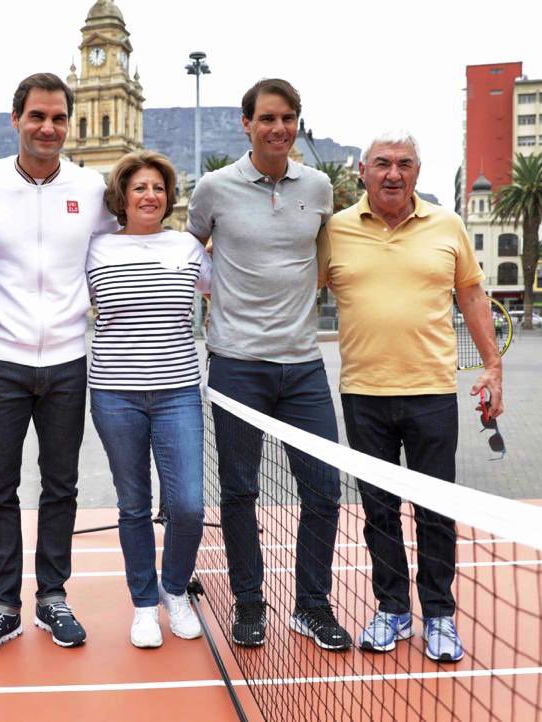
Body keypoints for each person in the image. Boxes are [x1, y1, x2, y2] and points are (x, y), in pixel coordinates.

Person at [319, 131, 503, 664]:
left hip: (432, 395)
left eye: (403, 164)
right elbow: (294, 286)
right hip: (363, 396)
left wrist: (494, 368)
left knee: (435, 512)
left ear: (418, 172)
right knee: (378, 511)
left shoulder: (448, 225)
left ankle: (440, 616)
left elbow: (471, 293)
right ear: (362, 171)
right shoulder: (335, 230)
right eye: (382, 163)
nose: (392, 173)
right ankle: (393, 609)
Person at [187, 78, 352, 652]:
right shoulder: (213, 189)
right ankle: (249, 603)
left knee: (325, 492)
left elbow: (328, 253)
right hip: (236, 366)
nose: (278, 129)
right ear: (247, 124)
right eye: (268, 119)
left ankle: (311, 606)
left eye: (288, 119)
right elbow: (187, 255)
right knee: (238, 493)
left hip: (304, 367)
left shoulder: (320, 187)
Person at [0, 73, 117, 657]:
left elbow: (120, 249)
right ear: (15, 119)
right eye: (36, 117)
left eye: (57, 118)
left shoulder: (93, 187)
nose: (47, 128)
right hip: (1, 360)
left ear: (67, 124)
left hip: (71, 361)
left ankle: (53, 597)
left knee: (61, 485)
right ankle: (2, 607)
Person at [87, 151, 210, 648]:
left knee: (188, 505)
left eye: (158, 188)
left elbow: (226, 292)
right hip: (114, 394)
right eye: (139, 188)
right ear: (122, 196)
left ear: (169, 196)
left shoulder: (186, 246)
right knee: (134, 505)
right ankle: (143, 605)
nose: (150, 196)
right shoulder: (94, 248)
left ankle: (174, 590)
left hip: (178, 392)